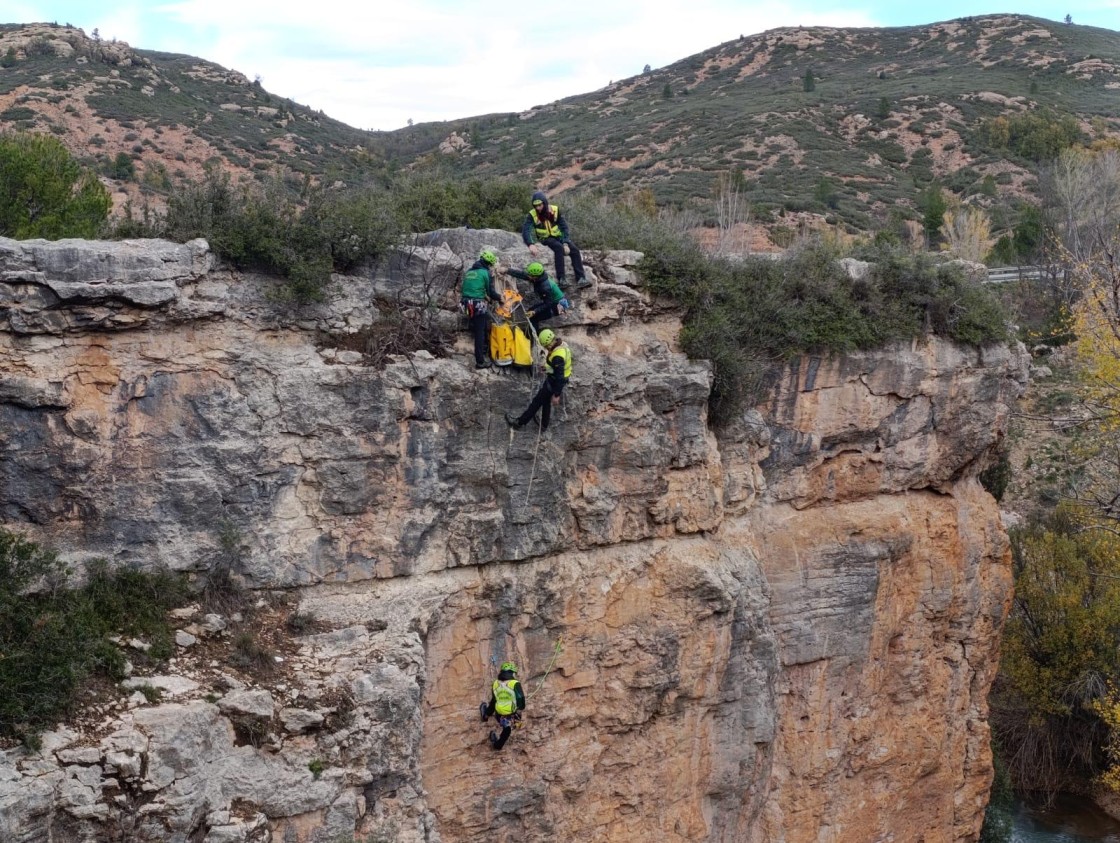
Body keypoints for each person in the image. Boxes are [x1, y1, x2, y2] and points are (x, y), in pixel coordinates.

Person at [505, 328, 572, 433]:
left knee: (537, 402)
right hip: (556, 378)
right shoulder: (562, 345)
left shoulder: (557, 356)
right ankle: (544, 425)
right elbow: (559, 368)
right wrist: (548, 368)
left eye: (546, 346)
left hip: (554, 381)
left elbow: (559, 375)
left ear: (548, 344)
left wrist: (557, 395)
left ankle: (519, 422)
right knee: (545, 402)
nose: (546, 348)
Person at [522, 191, 591, 290]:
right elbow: (526, 230)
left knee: (575, 250)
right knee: (558, 248)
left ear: (544, 203)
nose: (538, 208)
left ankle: (581, 278)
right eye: (535, 206)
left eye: (540, 205)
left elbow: (564, 227)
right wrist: (530, 244)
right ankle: (562, 279)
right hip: (545, 238)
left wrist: (566, 242)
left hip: (558, 236)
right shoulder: (532, 215)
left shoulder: (555, 210)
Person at [460, 248, 503, 369]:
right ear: (488, 263)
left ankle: (484, 349)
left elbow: (471, 287)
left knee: (482, 326)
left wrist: (484, 296)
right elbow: (491, 292)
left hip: (465, 303)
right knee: (480, 332)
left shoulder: (469, 271)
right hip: (477, 304)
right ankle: (480, 361)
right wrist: (500, 298)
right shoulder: (486, 273)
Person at [507, 261, 570, 331]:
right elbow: (523, 275)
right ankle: (534, 332)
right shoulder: (540, 277)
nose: (528, 276)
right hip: (554, 301)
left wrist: (535, 311)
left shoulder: (544, 287)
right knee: (531, 311)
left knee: (533, 317)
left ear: (535, 277)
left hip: (558, 306)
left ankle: (535, 337)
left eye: (530, 275)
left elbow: (548, 303)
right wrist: (507, 271)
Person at [480, 661, 526, 750]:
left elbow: (494, 700)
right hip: (511, 714)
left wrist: (488, 713)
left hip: (499, 714)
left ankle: (485, 715)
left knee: (495, 701)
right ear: (511, 673)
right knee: (507, 729)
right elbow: (520, 697)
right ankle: (497, 745)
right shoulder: (515, 683)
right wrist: (521, 708)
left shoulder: (496, 683)